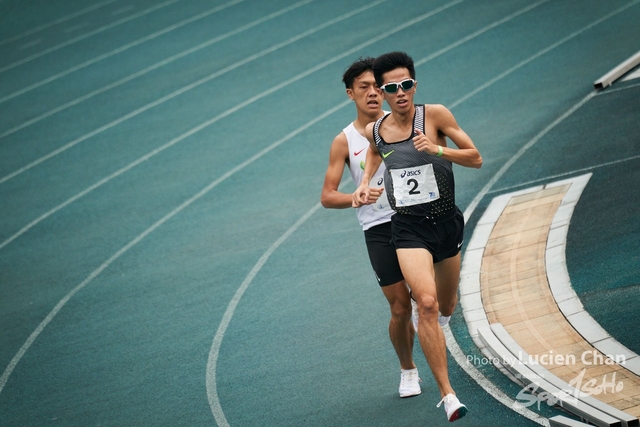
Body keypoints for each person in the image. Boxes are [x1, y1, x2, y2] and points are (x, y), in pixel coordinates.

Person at [354, 51, 482, 422]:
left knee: (445, 306)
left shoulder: (436, 116)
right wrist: (364, 184)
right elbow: (378, 155)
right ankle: (448, 395)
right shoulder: (374, 130)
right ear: (383, 91)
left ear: (414, 84)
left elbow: (475, 158)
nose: (401, 92)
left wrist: (438, 149)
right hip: (408, 227)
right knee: (423, 303)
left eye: (406, 84)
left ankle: (437, 325)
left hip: (445, 222)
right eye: (392, 88)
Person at [320, 57, 421, 398]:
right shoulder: (344, 141)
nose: (374, 93)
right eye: (364, 88)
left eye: (378, 87)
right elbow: (327, 196)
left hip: (416, 216)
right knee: (399, 308)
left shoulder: (406, 122)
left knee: (429, 299)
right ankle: (408, 369)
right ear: (351, 94)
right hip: (378, 227)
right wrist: (356, 198)